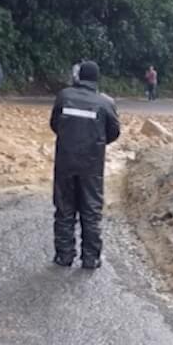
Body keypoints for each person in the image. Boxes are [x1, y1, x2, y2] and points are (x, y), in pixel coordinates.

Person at [49, 60, 121, 269]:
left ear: (79, 76)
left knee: (64, 208)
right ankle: (90, 258)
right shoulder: (106, 103)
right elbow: (114, 132)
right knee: (91, 210)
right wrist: (95, 142)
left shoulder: (64, 96)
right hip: (92, 164)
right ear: (97, 79)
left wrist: (71, 140)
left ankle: (64, 256)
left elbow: (54, 124)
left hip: (65, 161)